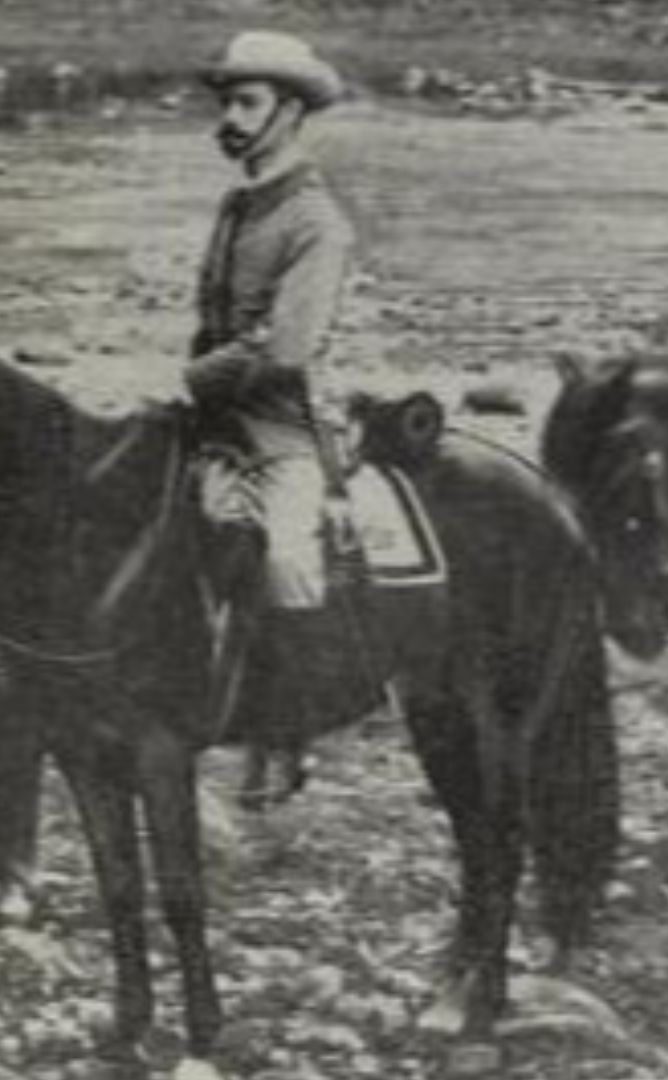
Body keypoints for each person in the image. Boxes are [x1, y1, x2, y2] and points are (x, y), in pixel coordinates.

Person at [189, 31, 364, 761]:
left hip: (283, 428)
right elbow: (215, 319)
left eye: (247, 103)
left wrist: (192, 380)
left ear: (289, 112)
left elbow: (286, 349)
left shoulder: (317, 222)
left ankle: (295, 724)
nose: (230, 119)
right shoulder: (240, 205)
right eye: (227, 103)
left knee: (289, 556)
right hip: (212, 422)